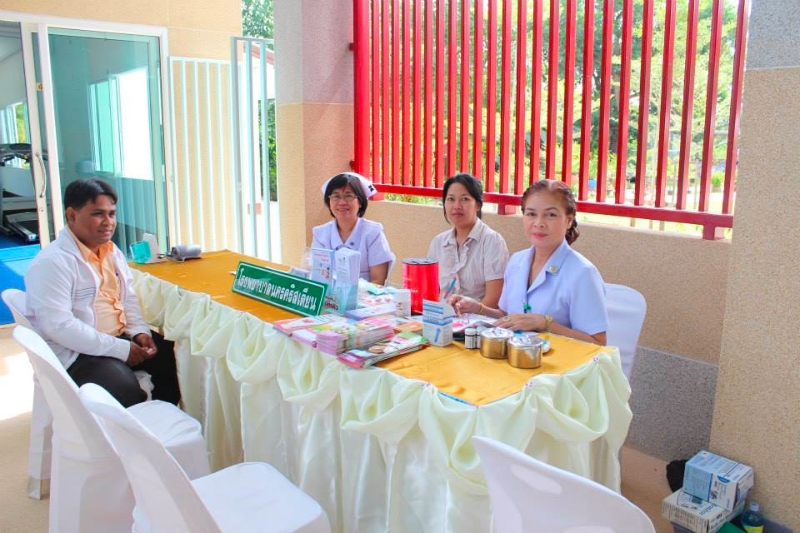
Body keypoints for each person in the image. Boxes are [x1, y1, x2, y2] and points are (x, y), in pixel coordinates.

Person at [25, 178, 180, 407]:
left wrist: (139, 332)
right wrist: (120, 349)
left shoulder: (110, 251)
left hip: (115, 337)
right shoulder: (52, 263)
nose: (108, 222)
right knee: (123, 387)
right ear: (72, 215)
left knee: (172, 358)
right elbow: (59, 326)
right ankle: (130, 425)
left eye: (112, 214)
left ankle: (157, 421)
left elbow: (126, 298)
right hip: (77, 351)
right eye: (98, 214)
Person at [449, 179, 607, 345]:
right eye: (531, 214)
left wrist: (545, 324)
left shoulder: (582, 273)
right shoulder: (517, 261)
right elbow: (507, 316)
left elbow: (598, 343)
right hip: (515, 356)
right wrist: (478, 308)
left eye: (551, 215)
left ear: (569, 220)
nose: (539, 223)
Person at [427, 173, 508, 308]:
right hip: (442, 315)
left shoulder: (492, 241)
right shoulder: (438, 242)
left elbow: (494, 298)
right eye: (451, 199)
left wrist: (467, 314)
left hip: (478, 318)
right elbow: (432, 290)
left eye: (464, 199)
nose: (456, 206)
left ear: (478, 205)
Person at [312, 172, 395, 284]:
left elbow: (378, 281)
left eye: (348, 196)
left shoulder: (373, 233)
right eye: (336, 196)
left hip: (364, 295)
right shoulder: (320, 234)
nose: (342, 202)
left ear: (360, 202)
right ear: (329, 202)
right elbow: (318, 276)